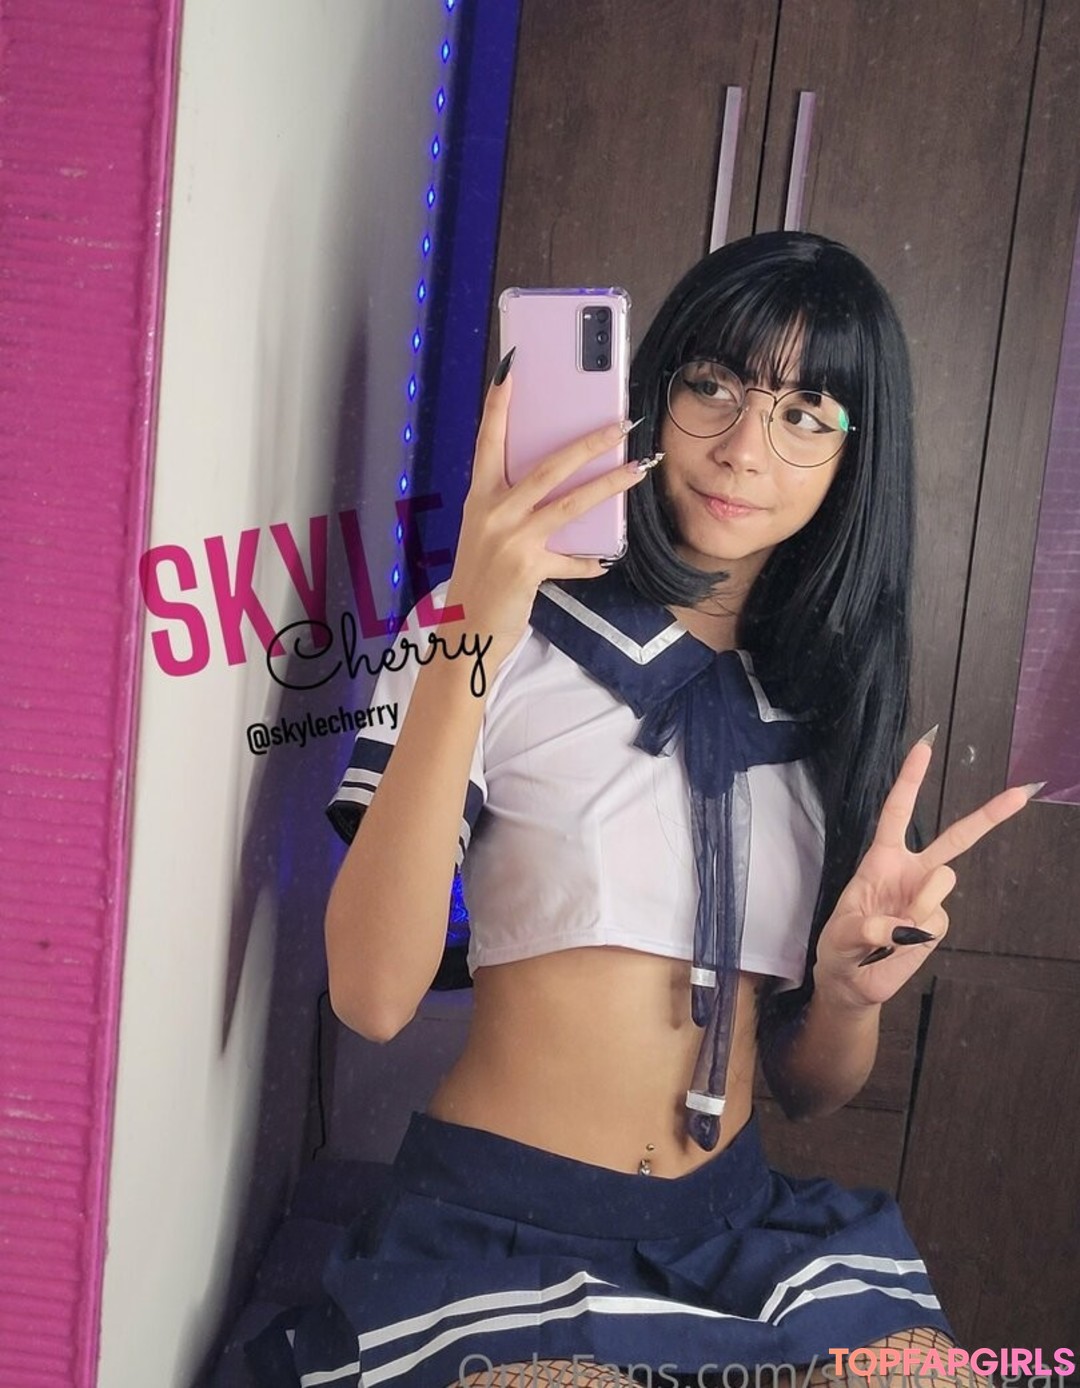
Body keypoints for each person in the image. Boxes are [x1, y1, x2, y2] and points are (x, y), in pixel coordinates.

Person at [263, 233, 1038, 1388]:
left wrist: (846, 992)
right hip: (502, 1230)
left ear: (854, 454)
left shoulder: (829, 705)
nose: (744, 449)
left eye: (804, 413)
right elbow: (373, 997)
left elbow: (811, 1085)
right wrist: (475, 627)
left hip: (735, 1231)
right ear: (654, 388)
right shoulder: (486, 630)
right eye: (714, 386)